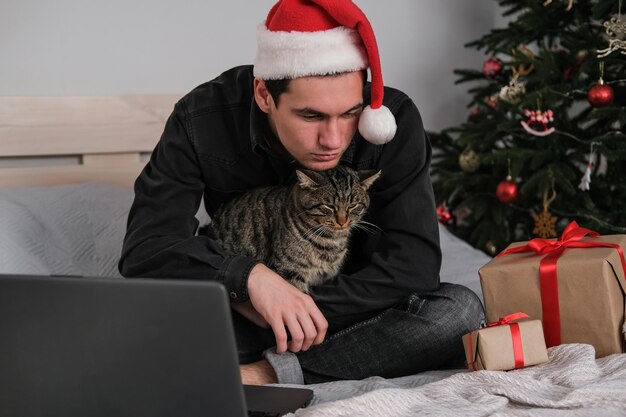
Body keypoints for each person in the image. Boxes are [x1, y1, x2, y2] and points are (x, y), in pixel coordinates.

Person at [119, 0, 484, 385]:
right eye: (311, 116)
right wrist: (250, 281)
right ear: (264, 94)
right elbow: (148, 248)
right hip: (241, 306)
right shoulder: (201, 118)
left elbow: (413, 268)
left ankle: (262, 375)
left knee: (458, 313)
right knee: (127, 325)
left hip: (354, 310)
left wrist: (295, 311)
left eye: (349, 114)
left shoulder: (394, 119)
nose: (333, 140)